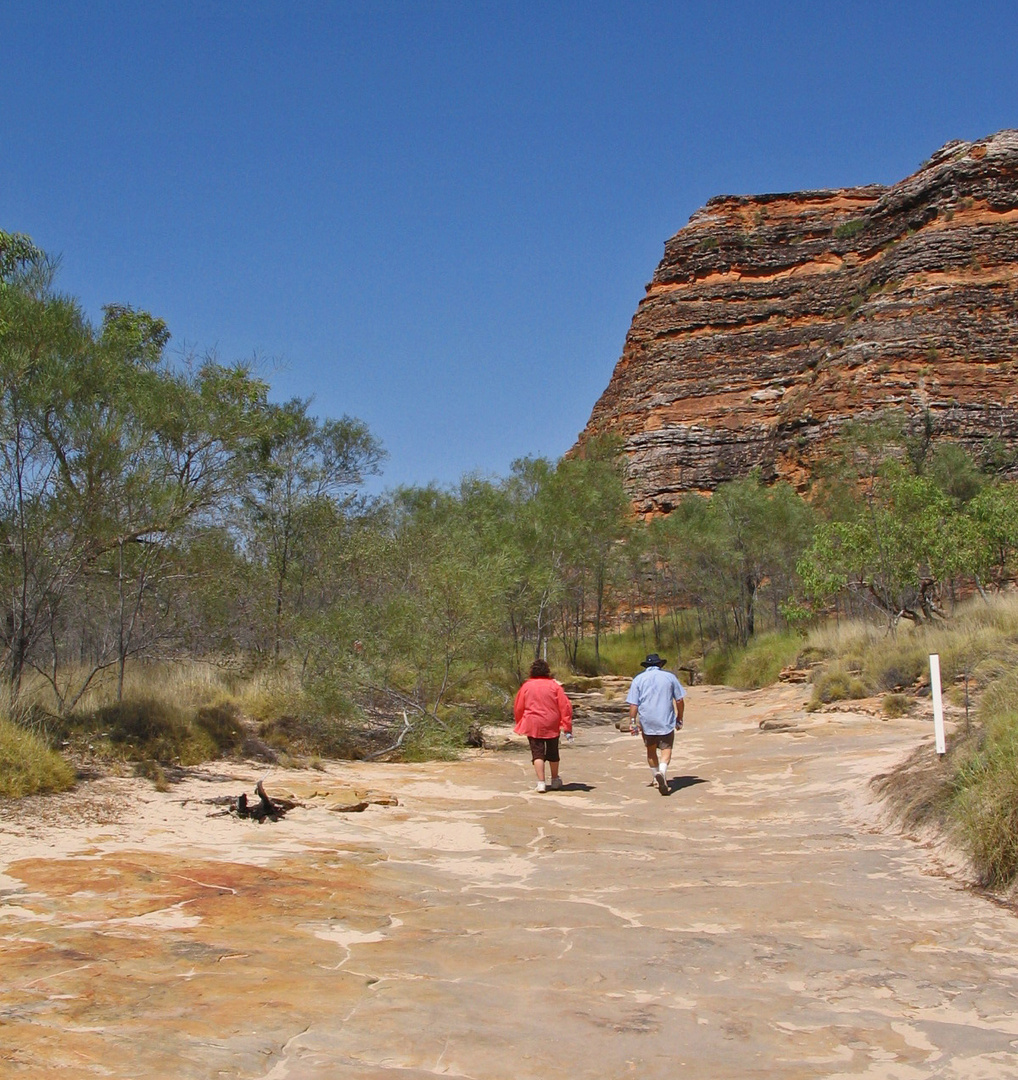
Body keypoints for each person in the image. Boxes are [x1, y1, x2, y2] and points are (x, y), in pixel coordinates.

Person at [626, 653, 685, 796]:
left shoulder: (638, 679)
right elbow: (679, 700)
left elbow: (634, 704)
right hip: (665, 719)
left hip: (647, 720)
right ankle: (662, 772)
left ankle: (655, 777)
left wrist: (633, 722)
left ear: (646, 666)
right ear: (660, 665)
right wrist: (679, 718)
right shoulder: (670, 677)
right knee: (666, 748)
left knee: (651, 750)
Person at [513, 658, 573, 793]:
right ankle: (555, 779)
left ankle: (541, 783)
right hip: (552, 722)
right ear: (547, 671)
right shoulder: (555, 686)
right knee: (553, 751)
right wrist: (567, 726)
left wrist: (520, 722)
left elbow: (518, 707)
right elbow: (565, 707)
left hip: (533, 723)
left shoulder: (526, 686)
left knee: (537, 753)